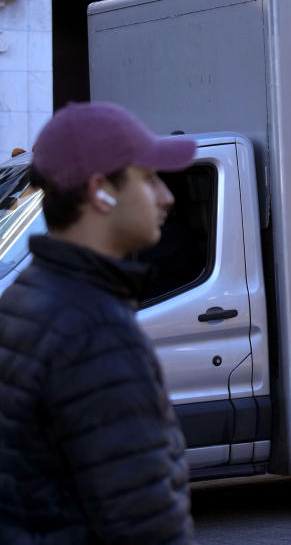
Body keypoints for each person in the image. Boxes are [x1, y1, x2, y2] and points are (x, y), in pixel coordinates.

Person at [0, 102, 197, 543]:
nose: (166, 196)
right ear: (100, 192)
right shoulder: (95, 330)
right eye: (148, 179)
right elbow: (144, 520)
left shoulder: (27, 295)